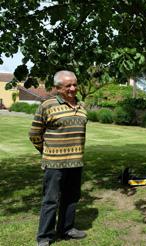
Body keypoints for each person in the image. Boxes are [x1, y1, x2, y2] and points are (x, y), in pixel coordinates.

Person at [29, 70, 88, 246]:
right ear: (57, 87)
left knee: (71, 197)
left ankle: (66, 229)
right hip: (54, 164)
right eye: (67, 85)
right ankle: (44, 237)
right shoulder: (47, 105)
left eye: (75, 84)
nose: (72, 88)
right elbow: (34, 134)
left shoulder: (81, 106)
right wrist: (46, 152)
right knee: (50, 200)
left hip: (76, 162)